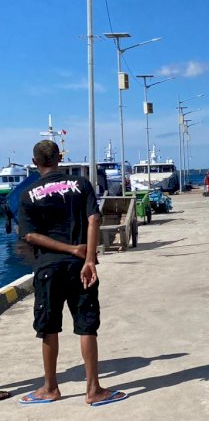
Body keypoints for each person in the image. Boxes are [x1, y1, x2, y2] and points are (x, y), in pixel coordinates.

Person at [17, 140, 127, 406]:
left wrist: (69, 249)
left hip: (48, 268)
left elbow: (30, 234)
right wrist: (88, 257)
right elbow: (94, 219)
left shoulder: (27, 194)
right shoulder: (82, 185)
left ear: (35, 162)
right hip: (80, 267)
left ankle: (50, 388)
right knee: (87, 325)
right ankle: (93, 390)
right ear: (59, 158)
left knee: (49, 327)